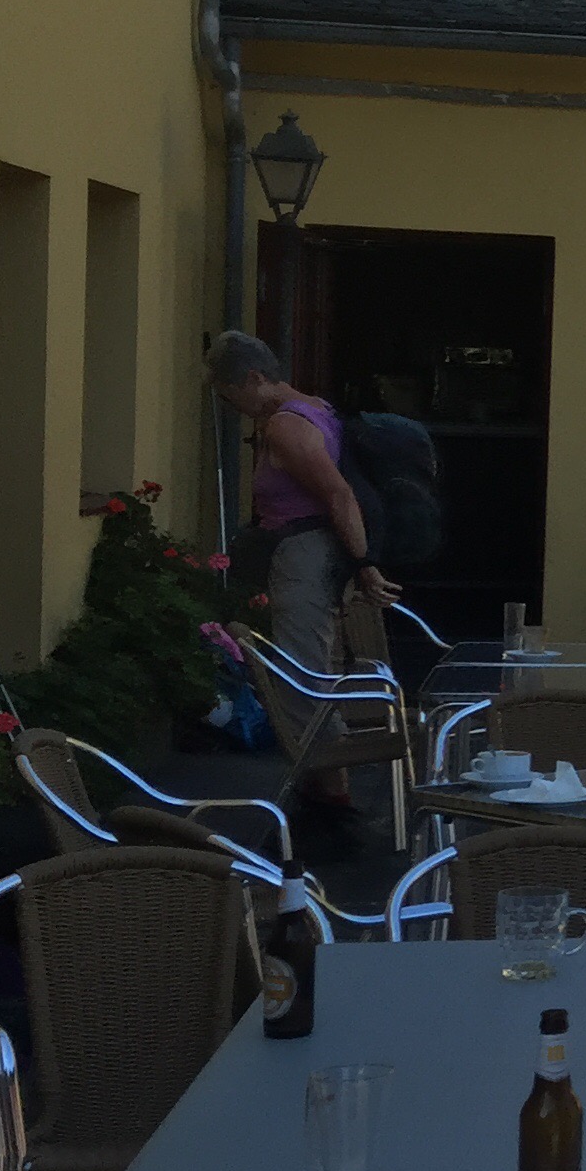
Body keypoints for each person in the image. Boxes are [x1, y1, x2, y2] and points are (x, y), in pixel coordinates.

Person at [205, 331, 396, 840]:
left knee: (300, 678)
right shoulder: (317, 408)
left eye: (230, 395)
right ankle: (323, 795)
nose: (232, 407)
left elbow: (338, 495)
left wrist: (365, 565)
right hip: (313, 555)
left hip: (306, 558)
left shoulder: (287, 426)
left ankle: (332, 811)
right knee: (314, 670)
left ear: (254, 379)